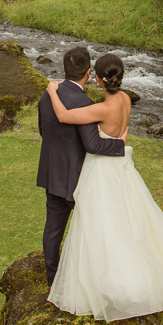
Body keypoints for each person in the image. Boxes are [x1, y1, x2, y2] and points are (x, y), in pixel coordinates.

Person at [42, 51, 163, 321]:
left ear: (97, 79)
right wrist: (120, 143)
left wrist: (51, 90)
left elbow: (64, 117)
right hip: (122, 169)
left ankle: (108, 282)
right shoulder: (127, 100)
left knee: (102, 226)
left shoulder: (100, 108)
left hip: (102, 169)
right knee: (125, 222)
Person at [36, 45, 126, 287]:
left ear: (63, 68)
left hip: (53, 174)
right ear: (88, 73)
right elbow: (92, 144)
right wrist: (120, 145)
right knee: (94, 229)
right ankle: (94, 281)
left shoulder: (47, 96)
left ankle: (53, 280)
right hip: (81, 178)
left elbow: (44, 131)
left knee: (53, 230)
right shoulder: (85, 103)